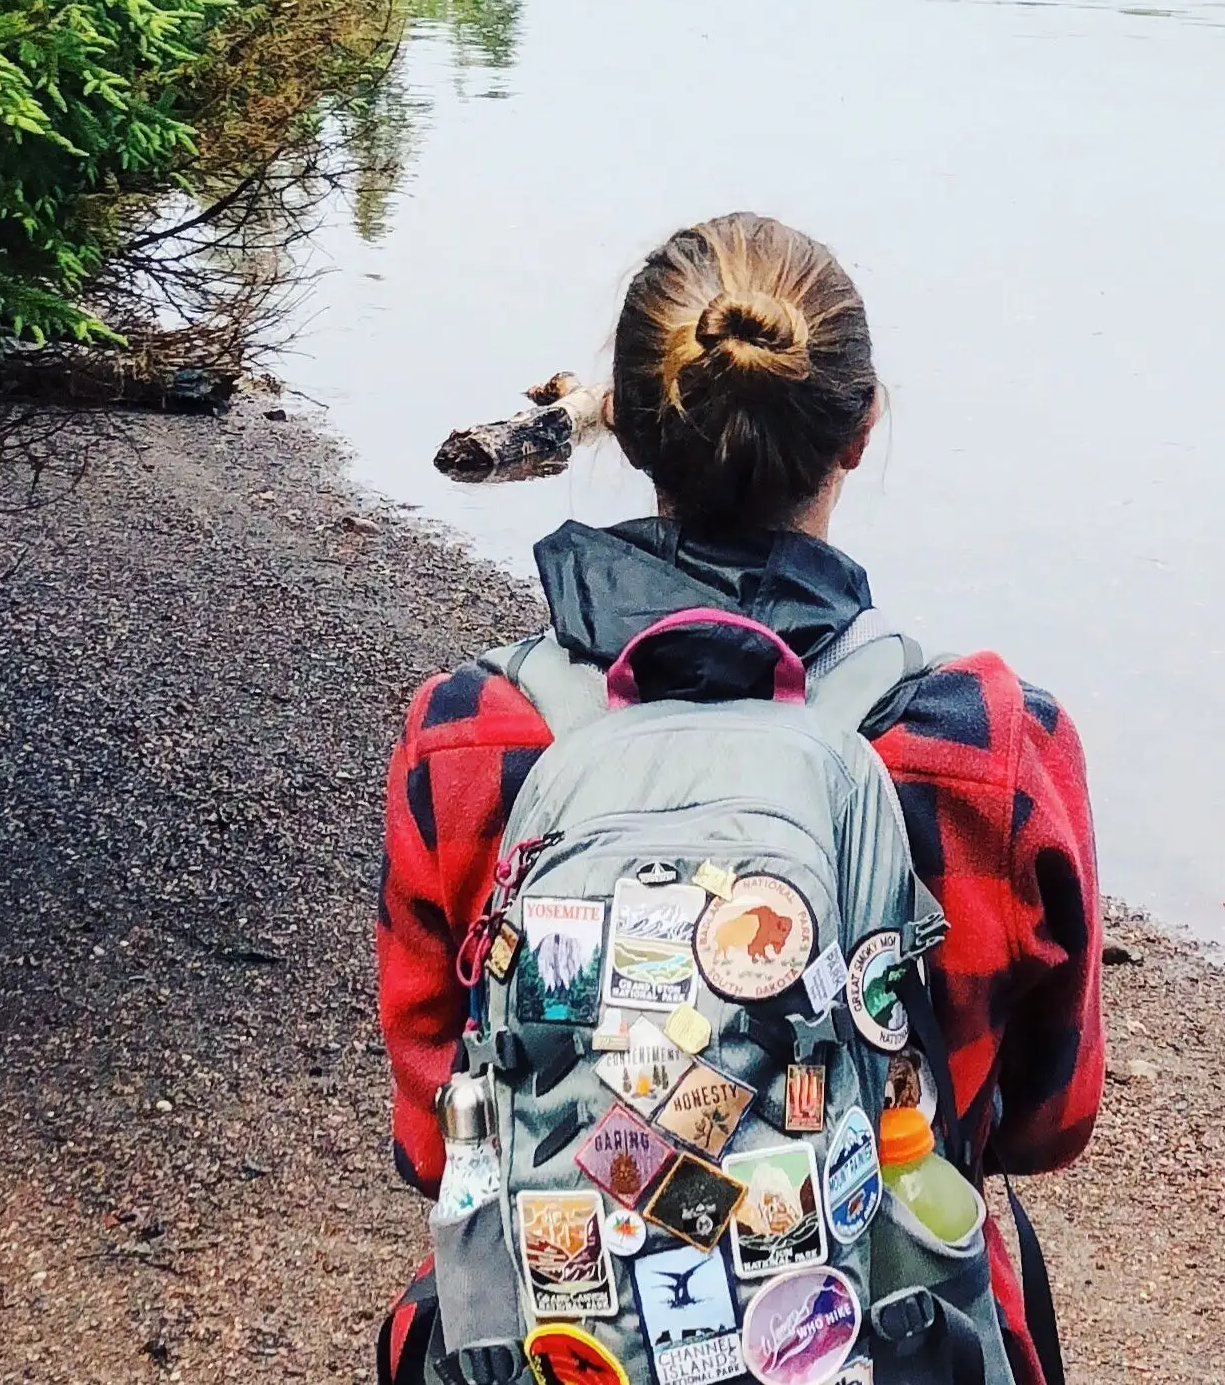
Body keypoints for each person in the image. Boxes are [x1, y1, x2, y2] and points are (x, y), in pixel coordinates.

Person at [375, 213, 1104, 1385]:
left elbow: (433, 1139)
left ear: (625, 423)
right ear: (859, 430)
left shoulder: (463, 737)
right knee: (990, 1253)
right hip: (872, 1334)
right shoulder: (995, 746)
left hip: (564, 1335)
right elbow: (1046, 1122)